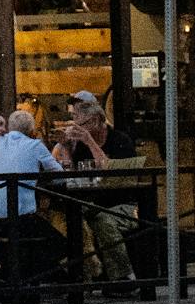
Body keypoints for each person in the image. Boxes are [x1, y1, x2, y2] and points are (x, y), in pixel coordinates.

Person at [0, 109, 64, 304]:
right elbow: (59, 175)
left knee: (29, 241)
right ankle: (35, 284)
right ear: (32, 131)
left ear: (9, 127)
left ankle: (15, 286)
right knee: (58, 243)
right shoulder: (35, 145)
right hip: (17, 219)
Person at [54, 92, 139, 285]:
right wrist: (66, 148)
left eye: (80, 124)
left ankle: (124, 279)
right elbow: (72, 175)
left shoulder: (120, 140)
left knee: (103, 221)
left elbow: (111, 171)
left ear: (95, 121)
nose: (77, 128)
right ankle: (80, 274)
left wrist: (89, 141)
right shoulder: (81, 145)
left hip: (122, 204)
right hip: (91, 201)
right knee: (63, 216)